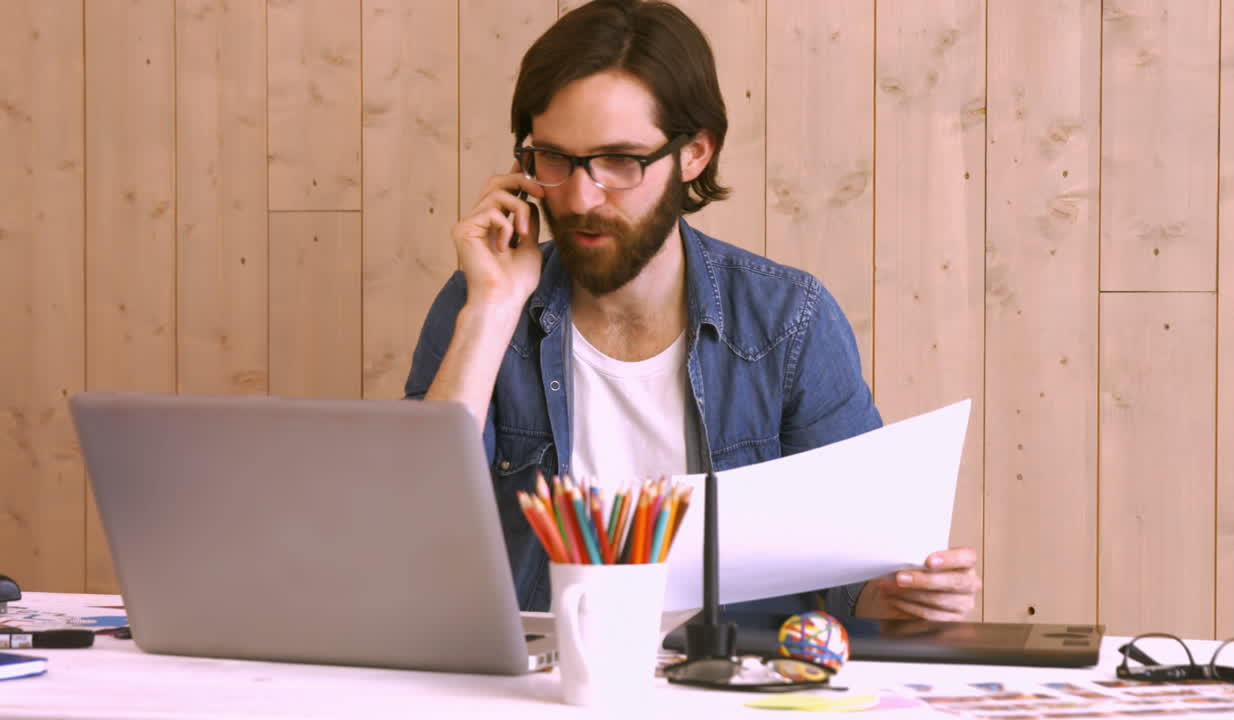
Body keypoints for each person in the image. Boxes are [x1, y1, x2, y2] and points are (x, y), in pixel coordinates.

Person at [405, 0, 980, 622]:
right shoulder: (483, 305)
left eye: (619, 161)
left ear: (694, 153)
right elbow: (416, 532)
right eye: (553, 160)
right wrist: (491, 307)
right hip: (541, 688)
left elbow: (857, 574)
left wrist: (899, 593)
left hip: (733, 690)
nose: (579, 196)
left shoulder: (788, 321)